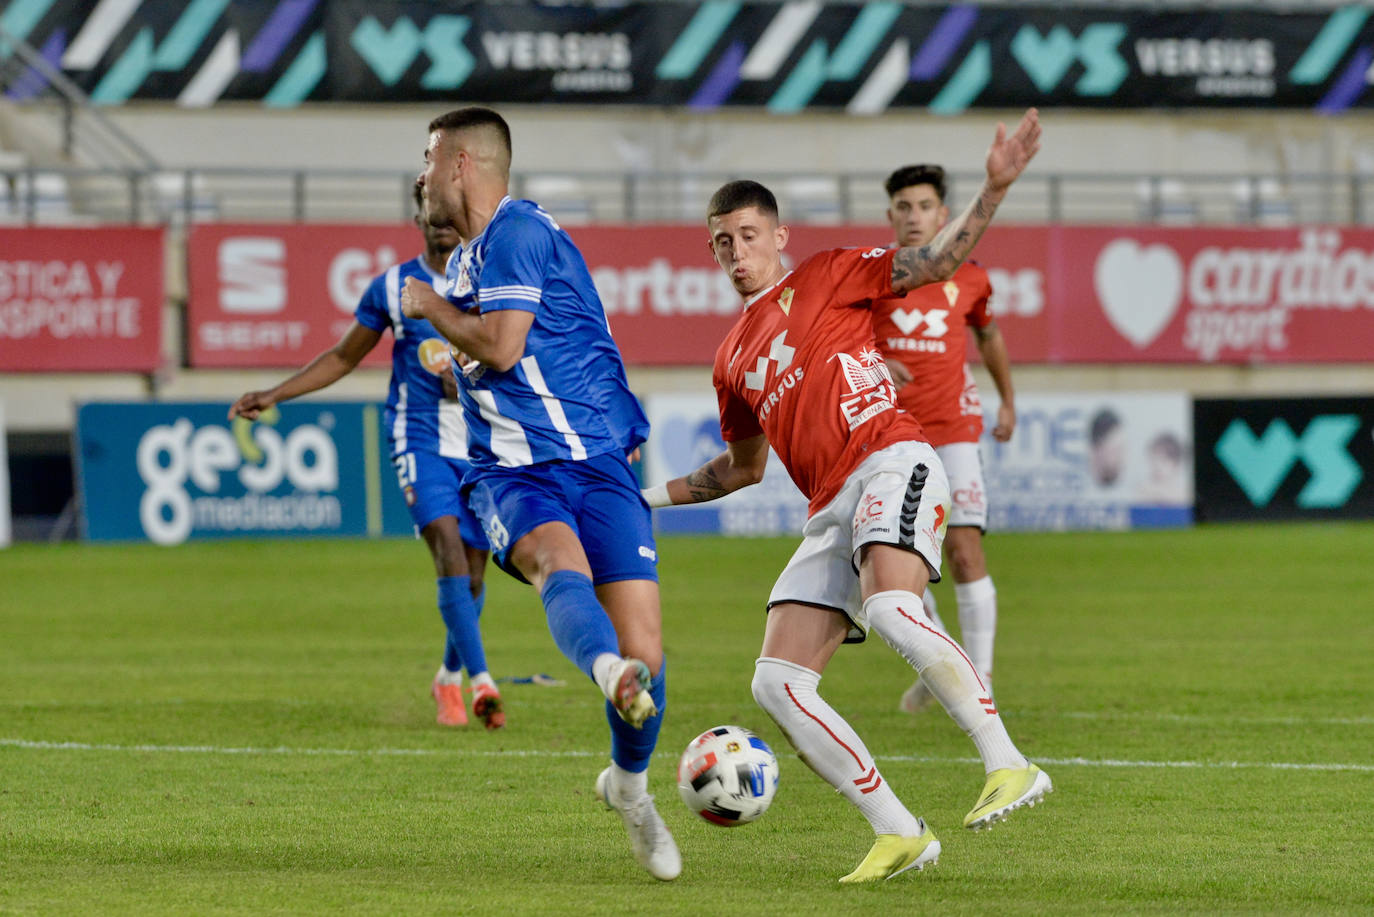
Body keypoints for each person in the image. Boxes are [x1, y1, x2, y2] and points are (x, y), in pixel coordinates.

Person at [641, 110, 1052, 883]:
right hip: (829, 505)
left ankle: (1009, 760)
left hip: (893, 459)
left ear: (779, 235)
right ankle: (899, 830)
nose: (736, 252)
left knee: (894, 608)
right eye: (721, 242)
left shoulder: (830, 273)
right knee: (776, 681)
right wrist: (643, 500)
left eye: (748, 235)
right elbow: (738, 468)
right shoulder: (732, 358)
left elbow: (930, 261)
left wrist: (994, 187)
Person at [399, 107, 679, 882]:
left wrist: (432, 313)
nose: (419, 177)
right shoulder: (463, 266)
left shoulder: (516, 232)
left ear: (461, 163)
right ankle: (605, 675)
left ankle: (629, 786)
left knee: (650, 654)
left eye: (427, 160)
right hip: (514, 473)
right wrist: (453, 370)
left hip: (598, 463)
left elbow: (504, 343)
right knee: (558, 564)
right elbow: (504, 365)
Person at [228, 183, 503, 731]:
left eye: (451, 213)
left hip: (479, 444)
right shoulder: (393, 286)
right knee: (446, 545)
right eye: (432, 213)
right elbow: (343, 356)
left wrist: (474, 376)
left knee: (475, 573)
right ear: (418, 219)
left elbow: (512, 352)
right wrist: (275, 393)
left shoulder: (492, 281)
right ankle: (483, 683)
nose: (443, 222)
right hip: (417, 438)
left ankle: (447, 677)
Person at [870, 163, 1017, 713]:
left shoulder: (971, 278)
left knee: (963, 550)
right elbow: (840, 344)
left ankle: (980, 684)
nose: (914, 217)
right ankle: (946, 667)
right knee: (896, 568)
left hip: (954, 428)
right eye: (903, 207)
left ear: (942, 213)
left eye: (924, 206)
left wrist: (1008, 399)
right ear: (890, 215)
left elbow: (990, 336)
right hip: (887, 434)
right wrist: (878, 359)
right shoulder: (874, 276)